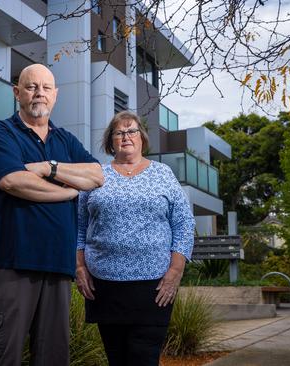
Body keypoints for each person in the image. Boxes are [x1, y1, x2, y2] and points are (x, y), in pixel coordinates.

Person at [0, 63, 104, 365]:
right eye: (31, 86)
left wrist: (49, 168)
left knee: (53, 358)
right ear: (17, 93)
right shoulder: (3, 133)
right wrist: (68, 190)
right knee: (4, 356)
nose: (39, 93)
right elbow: (13, 181)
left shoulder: (65, 141)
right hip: (12, 264)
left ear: (55, 95)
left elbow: (97, 175)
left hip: (57, 267)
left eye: (46, 88)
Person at [75, 111, 195, 366]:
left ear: (142, 138)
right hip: (104, 287)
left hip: (153, 287)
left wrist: (175, 271)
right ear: (111, 141)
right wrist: (79, 267)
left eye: (132, 131)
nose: (126, 136)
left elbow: (184, 223)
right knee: (116, 359)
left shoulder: (163, 174)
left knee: (144, 359)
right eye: (119, 132)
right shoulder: (97, 176)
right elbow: (79, 226)